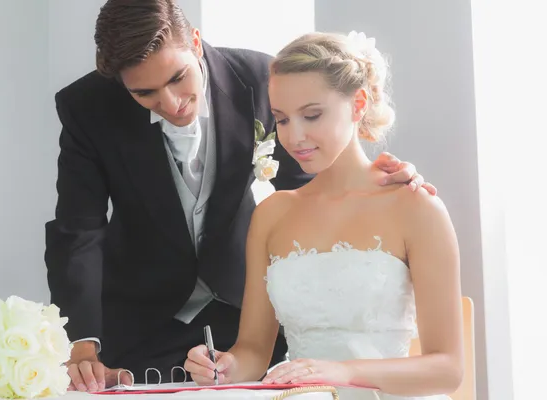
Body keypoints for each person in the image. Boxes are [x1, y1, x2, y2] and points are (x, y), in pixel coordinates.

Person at [45, 0, 436, 392]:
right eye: (145, 93)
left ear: (195, 43)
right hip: (141, 319)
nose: (170, 103)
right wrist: (82, 341)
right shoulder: (88, 107)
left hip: (245, 316)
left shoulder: (262, 79)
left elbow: (311, 185)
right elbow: (78, 231)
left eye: (178, 78)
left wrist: (375, 182)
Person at [184, 31, 463, 400]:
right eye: (281, 120)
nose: (295, 136)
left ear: (358, 104)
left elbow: (448, 369)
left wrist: (342, 373)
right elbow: (253, 351)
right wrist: (222, 366)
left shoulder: (416, 207)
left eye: (312, 115)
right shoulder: (272, 215)